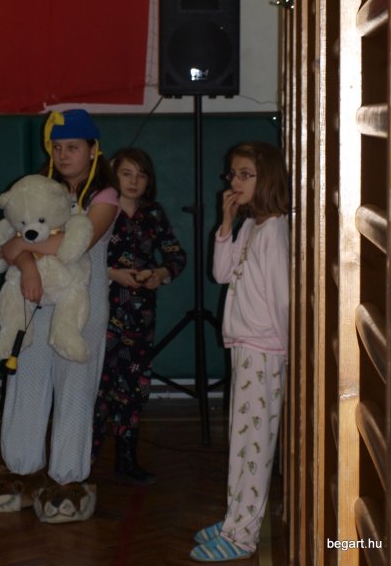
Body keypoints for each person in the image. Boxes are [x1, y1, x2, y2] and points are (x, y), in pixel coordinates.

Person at [0, 109, 119, 520]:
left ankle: (68, 478)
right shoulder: (38, 189)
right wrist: (28, 265)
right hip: (34, 302)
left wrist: (24, 247)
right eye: (57, 147)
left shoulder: (105, 196)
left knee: (74, 391)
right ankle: (21, 470)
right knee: (26, 384)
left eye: (73, 147)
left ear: (93, 150)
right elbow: (7, 246)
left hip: (81, 308)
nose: (64, 155)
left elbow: (74, 243)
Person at [191, 141, 289, 563]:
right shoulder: (252, 226)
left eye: (246, 174)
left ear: (267, 178)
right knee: (242, 442)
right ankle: (236, 519)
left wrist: (288, 354)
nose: (235, 181)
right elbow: (220, 273)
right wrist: (227, 223)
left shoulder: (276, 231)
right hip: (248, 347)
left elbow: (283, 301)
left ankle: (243, 536)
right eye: (233, 173)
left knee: (254, 447)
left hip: (265, 350)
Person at [92, 148, 186, 485]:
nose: (134, 181)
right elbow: (80, 258)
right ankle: (83, 460)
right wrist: (112, 274)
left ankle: (127, 458)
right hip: (101, 312)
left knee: (134, 390)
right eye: (126, 173)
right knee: (98, 389)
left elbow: (176, 256)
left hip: (141, 319)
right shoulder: (101, 210)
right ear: (112, 175)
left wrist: (159, 273)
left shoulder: (153, 214)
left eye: (141, 175)